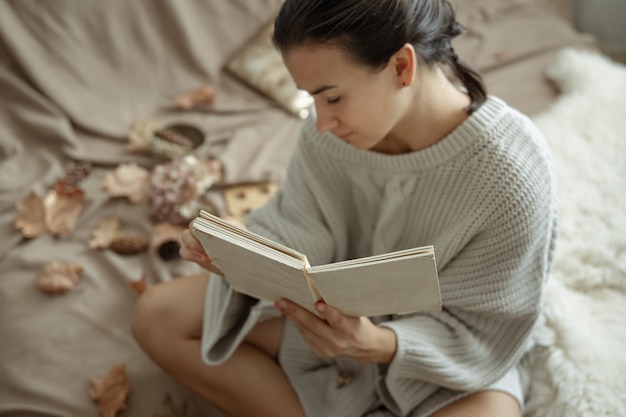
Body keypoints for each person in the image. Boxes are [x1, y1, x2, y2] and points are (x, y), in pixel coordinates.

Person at [131, 0, 558, 416]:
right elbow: (298, 228)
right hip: (323, 324)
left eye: (332, 98)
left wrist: (378, 344)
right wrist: (243, 257)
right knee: (157, 318)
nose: (321, 122)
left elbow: (489, 331)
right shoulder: (328, 137)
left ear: (401, 67)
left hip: (442, 365)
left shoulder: (513, 172)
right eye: (310, 100)